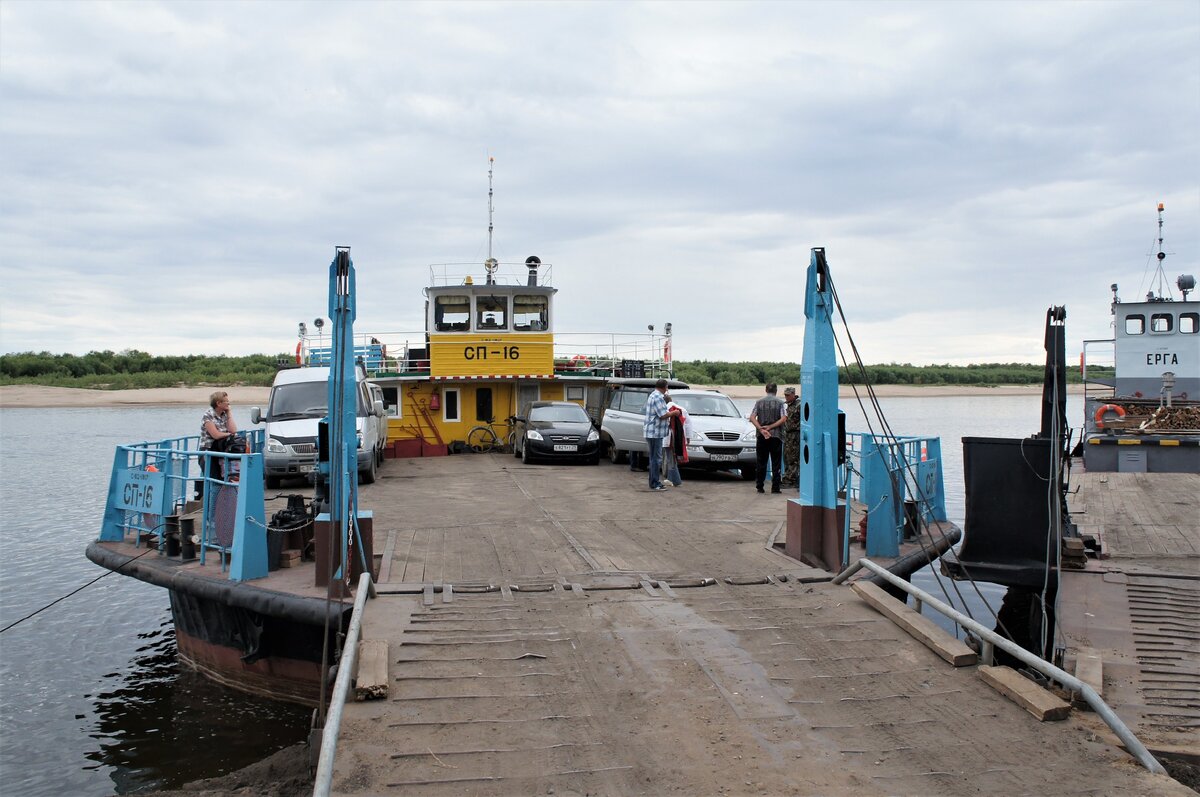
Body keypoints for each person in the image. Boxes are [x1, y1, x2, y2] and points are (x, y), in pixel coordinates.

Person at [642, 379, 680, 491]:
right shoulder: (658, 397)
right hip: (655, 433)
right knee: (656, 458)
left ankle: (653, 481)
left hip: (653, 432)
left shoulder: (653, 395)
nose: (667, 390)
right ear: (664, 387)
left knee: (654, 458)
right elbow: (663, 414)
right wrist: (675, 412)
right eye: (667, 387)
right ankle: (655, 483)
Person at [198, 391, 239, 497]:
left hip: (221, 451)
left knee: (223, 480)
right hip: (208, 452)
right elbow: (215, 435)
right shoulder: (208, 415)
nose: (228, 403)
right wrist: (229, 434)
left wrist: (229, 414)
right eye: (226, 402)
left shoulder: (225, 414)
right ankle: (210, 508)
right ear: (218, 403)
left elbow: (233, 430)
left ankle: (221, 506)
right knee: (213, 480)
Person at [750, 382, 786, 494]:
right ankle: (775, 487)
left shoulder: (759, 402)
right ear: (776, 391)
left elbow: (752, 417)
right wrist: (771, 426)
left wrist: (761, 429)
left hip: (761, 436)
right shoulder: (780, 403)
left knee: (761, 461)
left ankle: (759, 486)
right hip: (776, 436)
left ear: (766, 390)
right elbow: (784, 418)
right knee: (776, 462)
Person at [661, 394, 688, 488]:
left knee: (670, 459)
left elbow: (665, 423)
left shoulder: (667, 410)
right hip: (680, 437)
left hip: (669, 437)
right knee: (673, 458)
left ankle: (675, 480)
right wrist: (688, 437)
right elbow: (689, 424)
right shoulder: (682, 409)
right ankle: (672, 478)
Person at [780, 387, 801, 489]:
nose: (786, 397)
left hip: (795, 435)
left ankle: (790, 480)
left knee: (793, 458)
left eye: (788, 395)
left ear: (793, 394)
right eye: (785, 395)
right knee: (786, 457)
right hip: (787, 435)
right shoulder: (787, 405)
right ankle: (788, 477)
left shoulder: (799, 405)